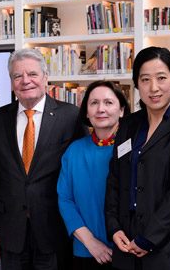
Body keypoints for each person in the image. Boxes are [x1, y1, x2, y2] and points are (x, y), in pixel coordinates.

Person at [0, 48, 86, 270]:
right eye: (18, 76)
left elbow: (81, 176)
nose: (25, 81)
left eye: (32, 74)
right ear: (11, 82)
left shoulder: (71, 116)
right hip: (10, 232)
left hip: (55, 229)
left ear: (45, 78)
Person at [105, 46, 170, 270]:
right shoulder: (129, 124)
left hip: (168, 247)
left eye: (161, 78)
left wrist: (148, 238)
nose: (153, 88)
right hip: (125, 245)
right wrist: (113, 228)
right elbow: (114, 180)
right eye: (145, 79)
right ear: (136, 83)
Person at [57, 80, 130, 270]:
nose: (100, 109)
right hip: (85, 250)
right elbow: (65, 200)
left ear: (121, 110)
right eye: (94, 103)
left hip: (129, 249)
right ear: (87, 112)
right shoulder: (74, 151)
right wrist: (90, 242)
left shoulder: (135, 149)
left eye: (108, 102)